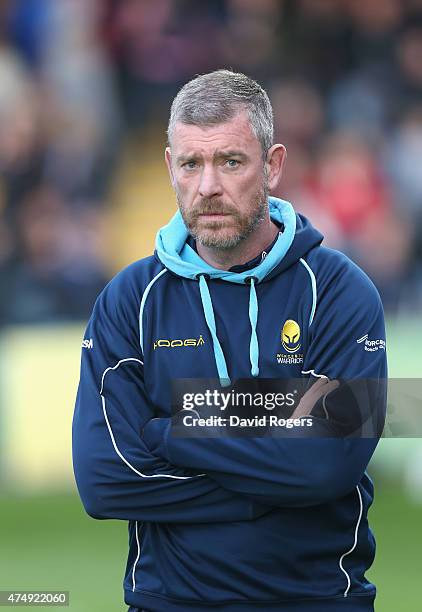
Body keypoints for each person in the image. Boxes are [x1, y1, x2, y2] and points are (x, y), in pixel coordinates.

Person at [72, 70, 387, 612]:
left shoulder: (340, 290)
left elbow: (328, 465)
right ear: (170, 167)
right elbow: (104, 481)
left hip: (316, 600)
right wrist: (273, 453)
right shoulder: (129, 299)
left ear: (273, 165)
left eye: (231, 162)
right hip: (167, 602)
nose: (208, 187)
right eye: (191, 164)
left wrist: (171, 427)